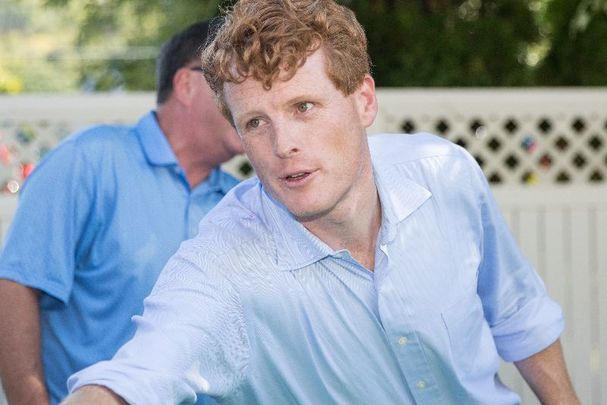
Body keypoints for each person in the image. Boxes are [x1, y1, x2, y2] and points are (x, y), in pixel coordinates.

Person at [62, 0, 580, 404]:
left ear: (364, 101)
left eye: (303, 106)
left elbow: (518, 313)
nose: (282, 143)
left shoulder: (445, 174)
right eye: (256, 122)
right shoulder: (223, 265)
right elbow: (137, 375)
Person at [0, 19, 243, 405]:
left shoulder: (241, 202)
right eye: (236, 80)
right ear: (186, 85)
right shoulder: (89, 162)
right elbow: (14, 288)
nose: (248, 99)